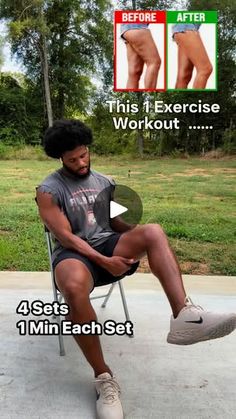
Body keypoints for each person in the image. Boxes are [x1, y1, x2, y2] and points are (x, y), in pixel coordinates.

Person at [36, 119, 236, 419]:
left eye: (84, 154)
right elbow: (65, 237)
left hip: (109, 246)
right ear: (60, 159)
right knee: (74, 288)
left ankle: (184, 316)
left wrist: (139, 238)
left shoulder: (105, 182)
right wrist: (104, 262)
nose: (81, 162)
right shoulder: (48, 190)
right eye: (73, 159)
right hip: (74, 255)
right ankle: (104, 379)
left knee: (153, 231)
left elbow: (118, 226)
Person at [120, 23, 161, 89]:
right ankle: (151, 97)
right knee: (154, 62)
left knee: (135, 71)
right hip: (136, 25)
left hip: (127, 27)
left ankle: (131, 98)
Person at [172, 23, 213, 89]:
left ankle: (178, 99)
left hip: (185, 26)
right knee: (205, 69)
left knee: (184, 76)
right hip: (186, 25)